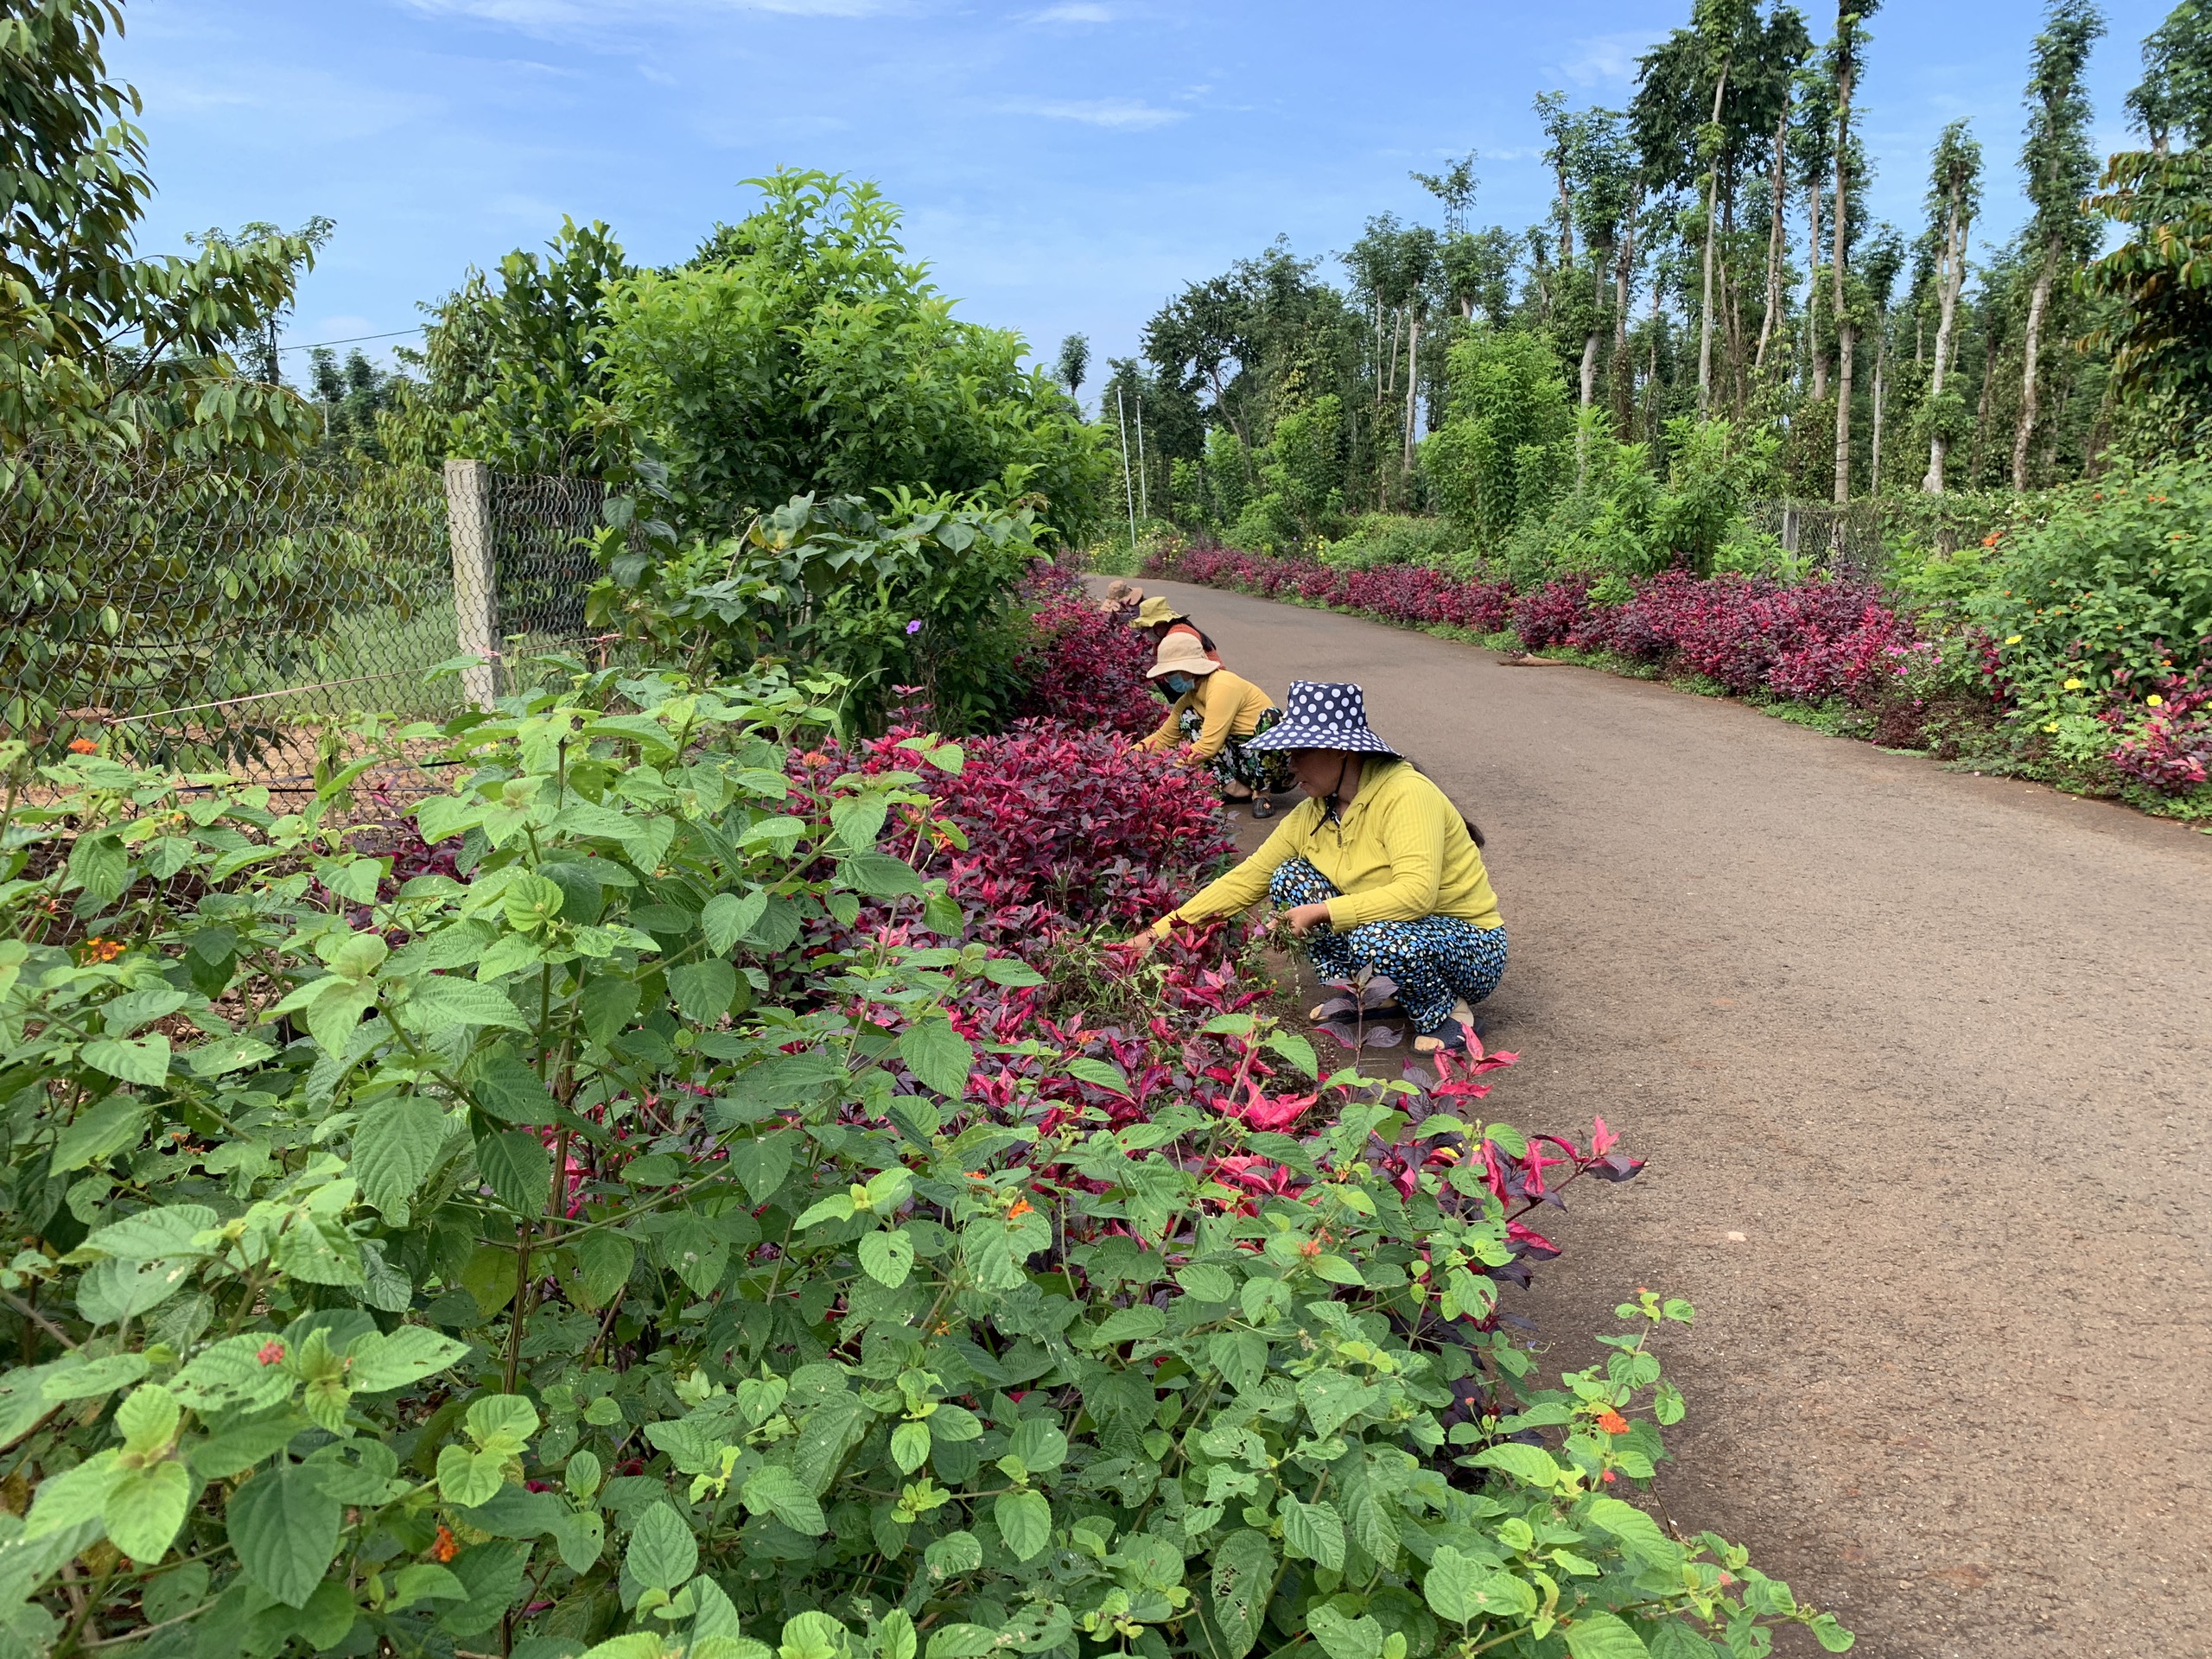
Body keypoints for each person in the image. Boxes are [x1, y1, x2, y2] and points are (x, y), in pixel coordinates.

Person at [1141, 680, 1505, 1054]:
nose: (1290, 764)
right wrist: (1153, 938)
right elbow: (1245, 880)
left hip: (1469, 946)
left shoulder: (1406, 794)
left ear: (1339, 752)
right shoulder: (1315, 811)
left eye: (1299, 751)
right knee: (1289, 877)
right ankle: (1367, 996)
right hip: (1396, 932)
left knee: (1374, 937)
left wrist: (1322, 911)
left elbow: (1417, 895)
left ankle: (1449, 1015)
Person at [1135, 632, 1291, 815]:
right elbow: (1163, 737)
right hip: (1242, 760)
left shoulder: (1222, 686)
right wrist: (1128, 758)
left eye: (1171, 673)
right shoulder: (1190, 698)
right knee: (1188, 718)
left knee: (1271, 718)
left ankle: (1262, 794)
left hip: (1273, 768)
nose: (1168, 680)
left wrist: (1166, 768)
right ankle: (1235, 788)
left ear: (1189, 668)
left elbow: (1209, 745)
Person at [1129, 594, 1221, 663]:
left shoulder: (1176, 637)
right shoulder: (1166, 636)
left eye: (1147, 628)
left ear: (1160, 624)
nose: (1147, 632)